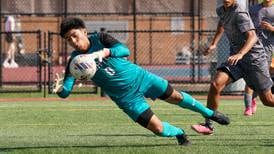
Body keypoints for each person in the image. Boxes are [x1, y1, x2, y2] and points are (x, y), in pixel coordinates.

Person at [53, 17, 230, 145]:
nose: (73, 41)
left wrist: (103, 52)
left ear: (84, 31)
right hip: (126, 99)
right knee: (158, 129)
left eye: (75, 35)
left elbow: (124, 50)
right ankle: (180, 133)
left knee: (175, 97)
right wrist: (60, 89)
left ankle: (209, 114)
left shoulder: (101, 39)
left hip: (141, 78)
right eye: (68, 40)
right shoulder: (75, 63)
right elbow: (66, 91)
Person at [191, 0, 274, 135]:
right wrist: (214, 43)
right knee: (215, 84)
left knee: (268, 100)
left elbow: (252, 37)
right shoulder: (221, 10)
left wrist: (241, 53)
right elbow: (222, 23)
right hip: (236, 60)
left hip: (255, 60)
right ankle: (208, 125)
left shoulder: (239, 11)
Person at [243, 0, 274, 116]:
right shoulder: (253, 9)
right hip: (253, 48)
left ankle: (253, 99)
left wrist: (271, 28)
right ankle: (248, 106)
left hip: (267, 50)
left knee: (261, 79)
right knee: (250, 76)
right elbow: (245, 25)